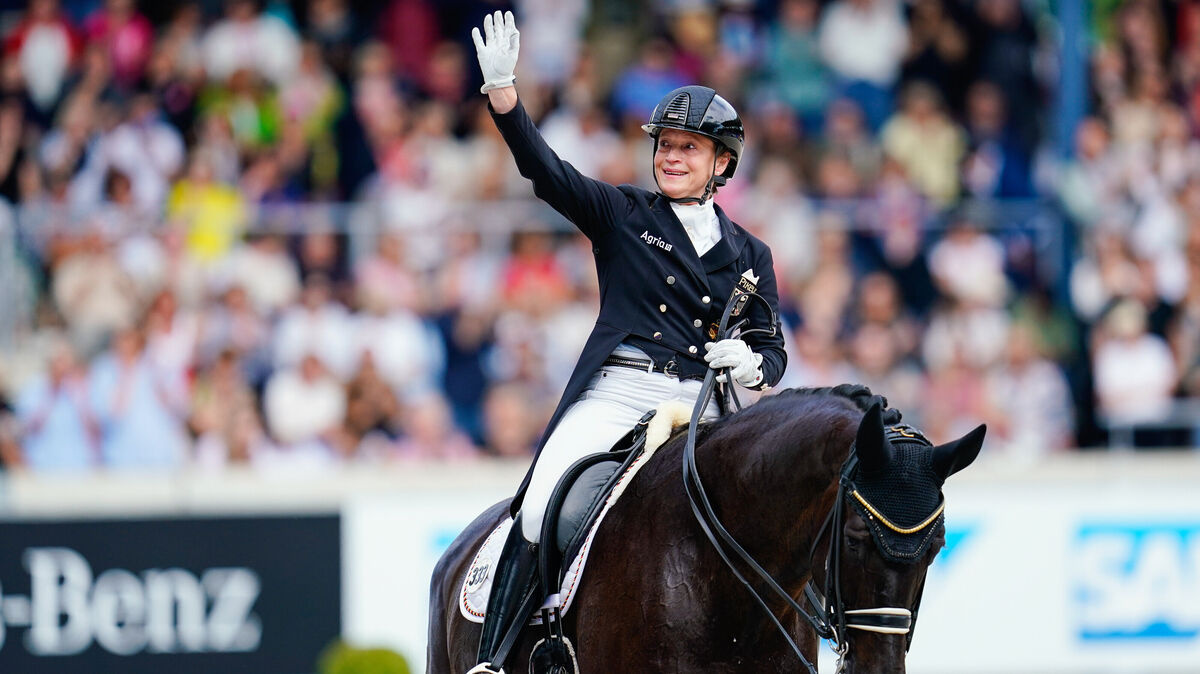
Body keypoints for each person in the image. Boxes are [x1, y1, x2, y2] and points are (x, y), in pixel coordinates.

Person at [467, 11, 786, 673]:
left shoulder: (750, 253)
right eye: (665, 144)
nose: (671, 156)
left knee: (777, 516)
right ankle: (499, 656)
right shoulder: (624, 213)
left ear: (722, 162)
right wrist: (505, 99)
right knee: (540, 505)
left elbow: (772, 348)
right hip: (620, 392)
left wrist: (752, 363)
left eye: (688, 147)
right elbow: (548, 173)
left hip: (706, 407)